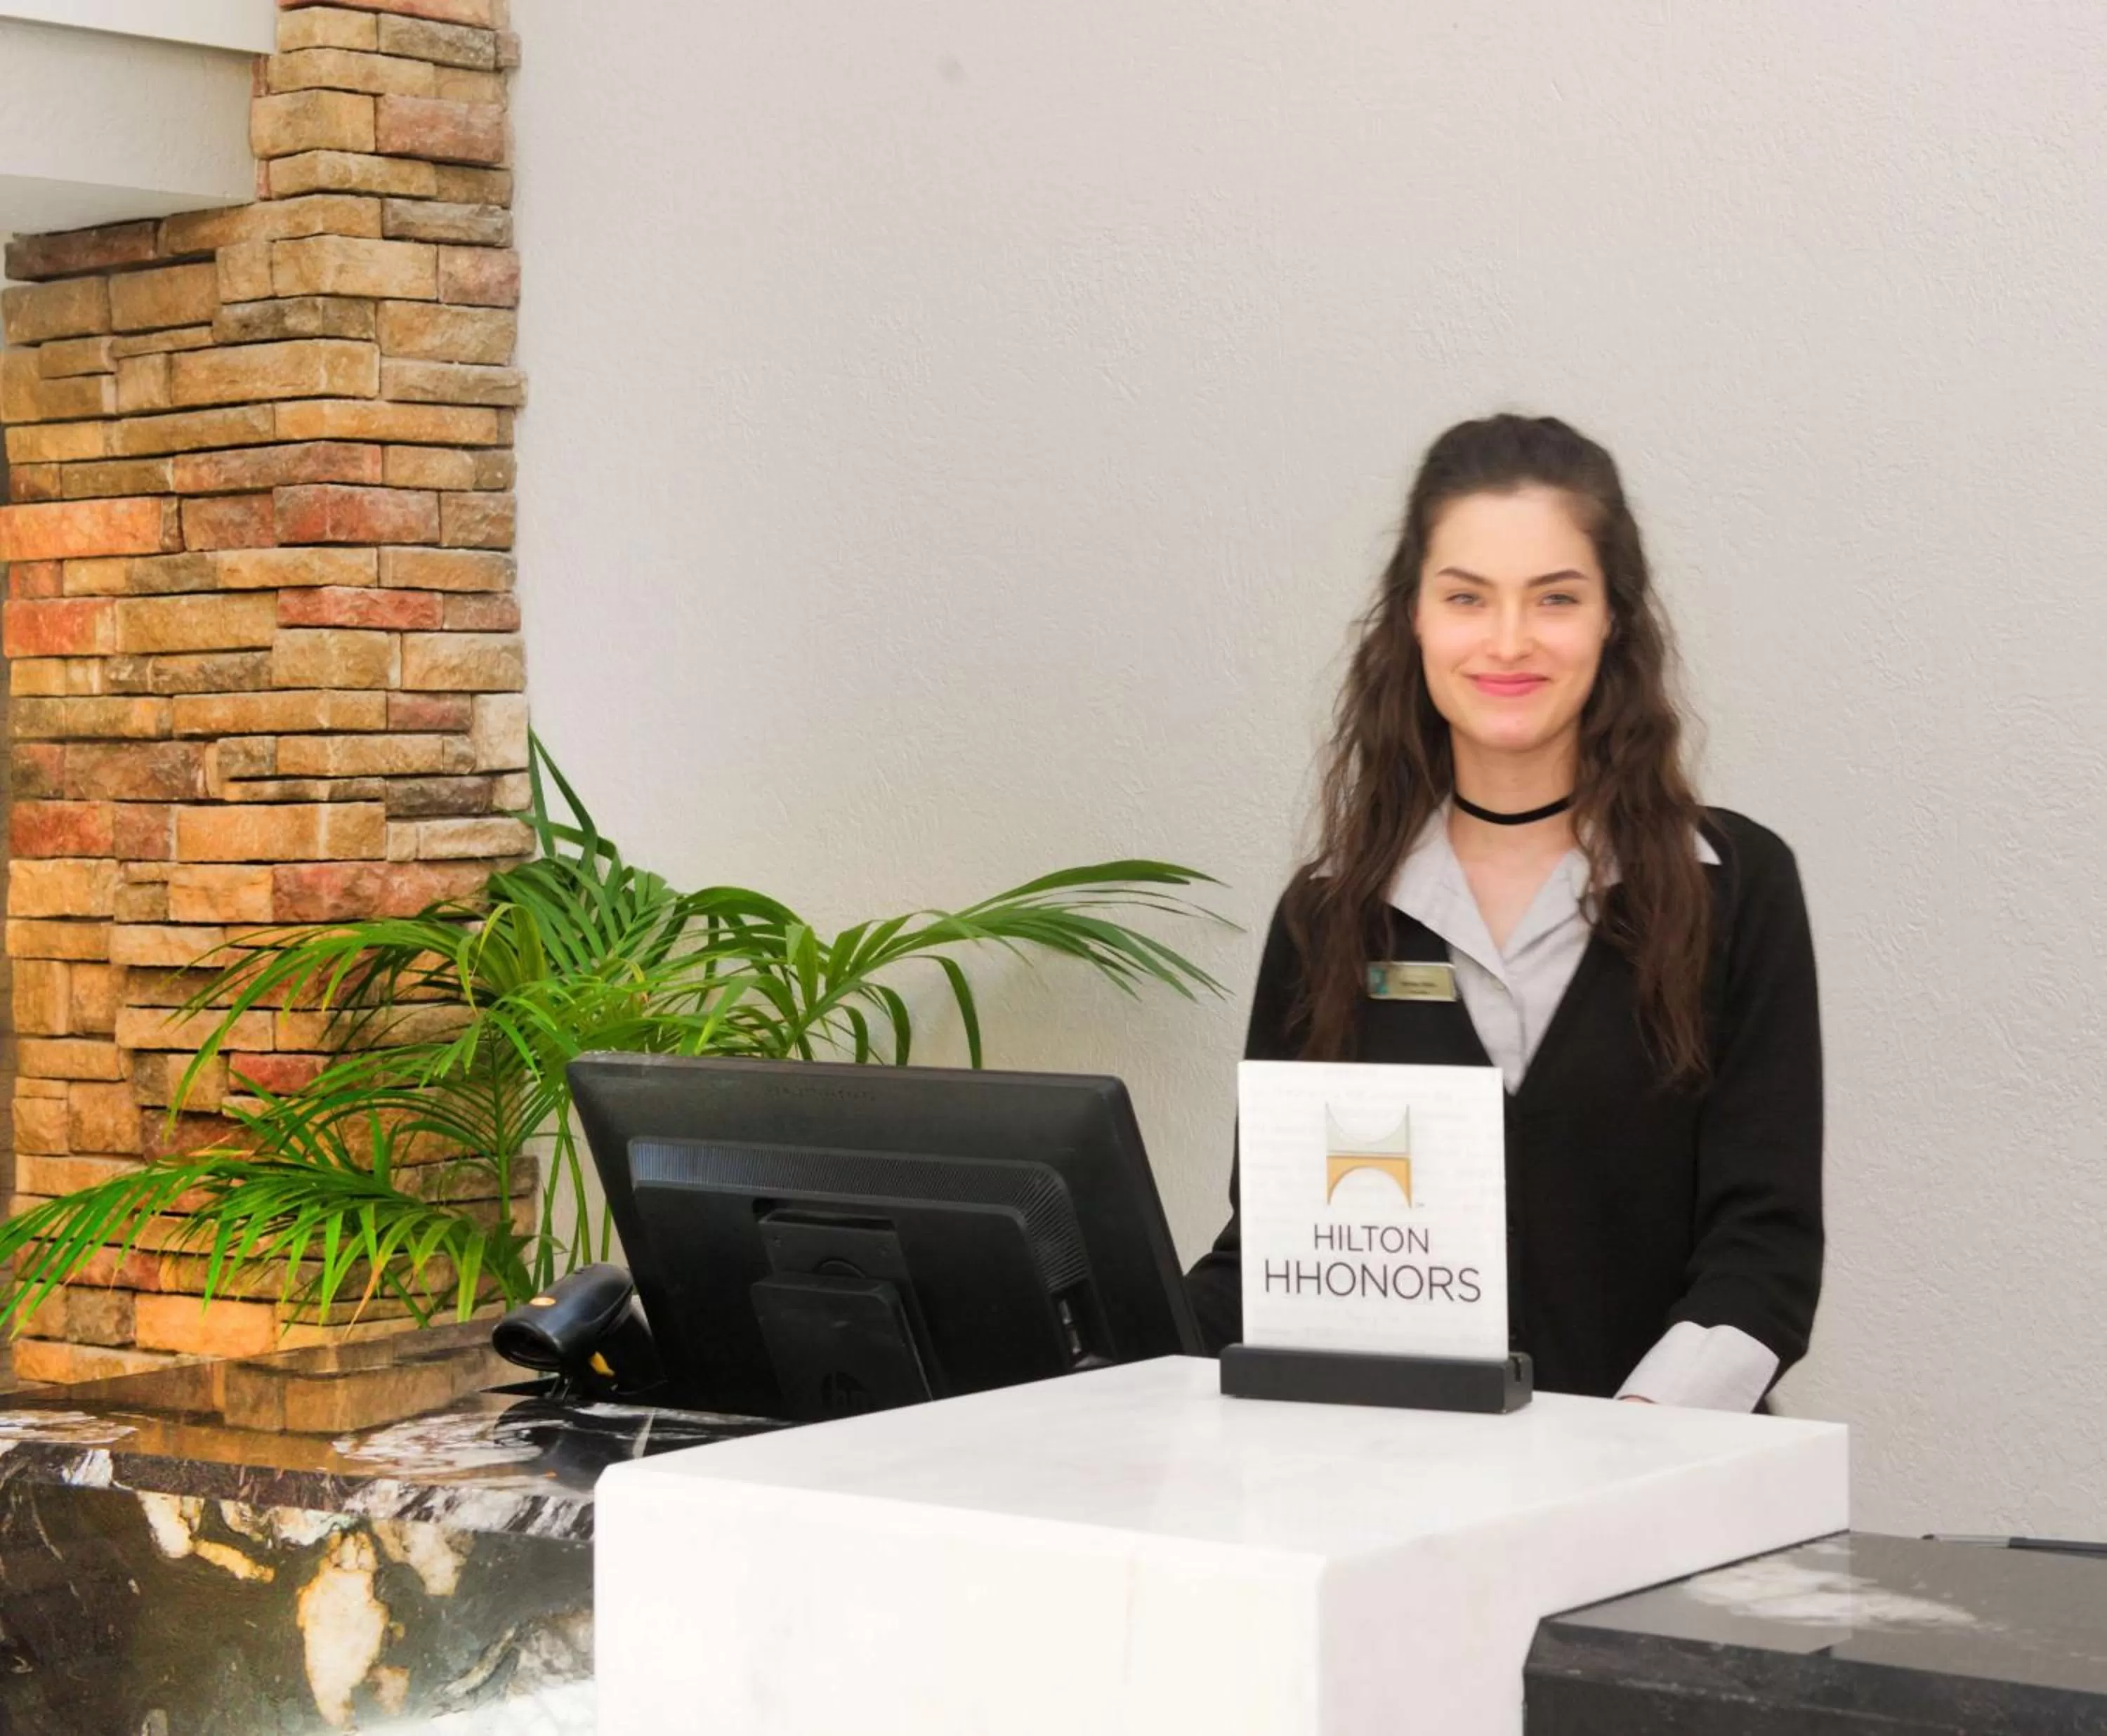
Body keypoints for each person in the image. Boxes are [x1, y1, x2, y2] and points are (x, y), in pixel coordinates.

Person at [1185, 413, 1823, 1409]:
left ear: (1614, 618)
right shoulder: (1330, 916)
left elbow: (1764, 1255)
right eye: (1467, 598)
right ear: (1414, 618)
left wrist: (1629, 1441)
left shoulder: (1736, 887)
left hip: (1665, 1476)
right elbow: (1273, 1256)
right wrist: (1105, 1351)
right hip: (1392, 1482)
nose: (1510, 641)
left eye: (1555, 598)